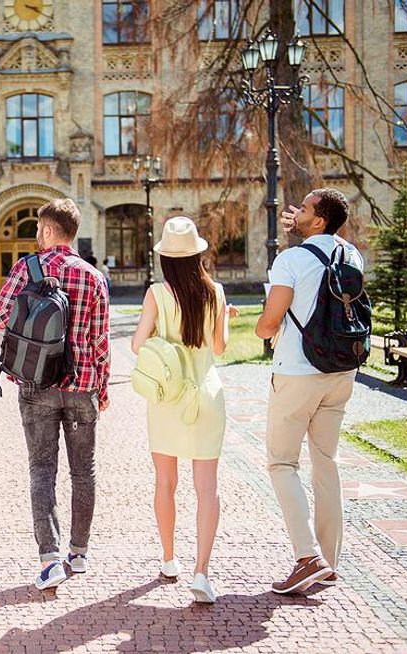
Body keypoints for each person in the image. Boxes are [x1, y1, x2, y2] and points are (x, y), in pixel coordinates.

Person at [0, 198, 111, 591]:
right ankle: (78, 552)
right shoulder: (93, 277)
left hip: (37, 384)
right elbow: (100, 341)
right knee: (84, 471)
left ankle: (49, 558)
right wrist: (103, 387)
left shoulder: (28, 269)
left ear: (45, 230)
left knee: (42, 469)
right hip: (82, 386)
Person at [256, 188, 363, 594]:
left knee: (282, 463)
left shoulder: (292, 259)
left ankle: (307, 556)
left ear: (318, 220)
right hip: (342, 371)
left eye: (303, 208)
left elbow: (271, 320)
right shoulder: (351, 255)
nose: (295, 211)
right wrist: (298, 233)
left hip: (298, 373)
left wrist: (263, 329)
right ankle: (329, 561)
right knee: (326, 463)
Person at [130, 217, 232, 604]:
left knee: (165, 483)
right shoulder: (217, 292)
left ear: (165, 259)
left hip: (168, 398)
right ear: (197, 254)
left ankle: (169, 559)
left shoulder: (157, 293)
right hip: (207, 395)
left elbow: (139, 343)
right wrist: (221, 317)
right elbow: (219, 348)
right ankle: (202, 572)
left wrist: (161, 336)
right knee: (207, 488)